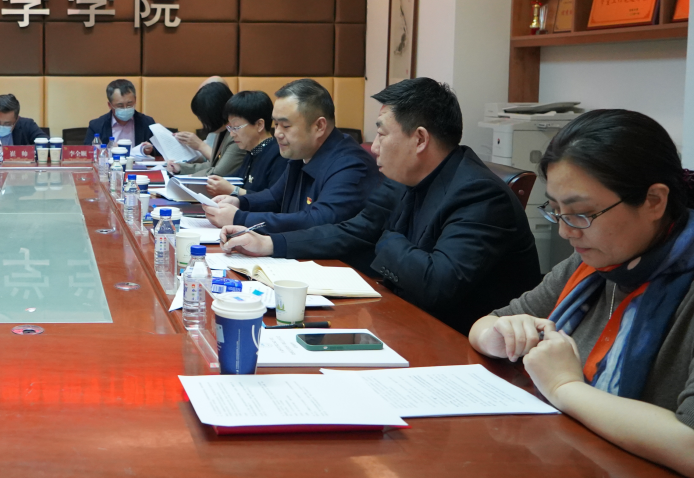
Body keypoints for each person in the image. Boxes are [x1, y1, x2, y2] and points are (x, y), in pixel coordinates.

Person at [469, 110, 694, 478]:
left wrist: (564, 386)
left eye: (581, 213)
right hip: (573, 465)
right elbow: (486, 324)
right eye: (556, 210)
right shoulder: (592, 263)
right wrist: (501, 335)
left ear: (654, 201)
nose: (565, 232)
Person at [220, 77, 541, 334]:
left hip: (457, 342)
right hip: (404, 320)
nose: (374, 148)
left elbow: (437, 284)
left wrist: (383, 237)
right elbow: (355, 230)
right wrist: (270, 243)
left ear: (420, 139)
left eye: (382, 135)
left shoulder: (479, 194)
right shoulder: (403, 178)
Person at [203, 79, 380, 231]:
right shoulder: (301, 153)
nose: (277, 133)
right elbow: (275, 197)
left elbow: (318, 221)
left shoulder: (350, 164)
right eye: (276, 124)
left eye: (286, 126)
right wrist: (239, 203)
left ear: (319, 126)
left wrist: (240, 218)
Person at [203, 90, 286, 198]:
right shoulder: (251, 153)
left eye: (236, 127)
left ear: (259, 125)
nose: (232, 134)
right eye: (230, 128)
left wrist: (234, 190)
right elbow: (233, 180)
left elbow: (274, 200)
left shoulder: (279, 155)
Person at [169, 78, 246, 178]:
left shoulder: (238, 133)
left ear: (213, 115)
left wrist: (190, 177)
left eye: (202, 117)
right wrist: (181, 168)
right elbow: (213, 164)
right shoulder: (223, 129)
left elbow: (218, 172)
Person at [82, 79, 155, 155]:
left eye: (129, 104)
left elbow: (159, 152)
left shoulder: (148, 123)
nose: (125, 108)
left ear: (135, 100)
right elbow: (87, 153)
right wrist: (107, 151)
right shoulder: (96, 126)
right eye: (120, 105)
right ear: (110, 105)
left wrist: (149, 150)